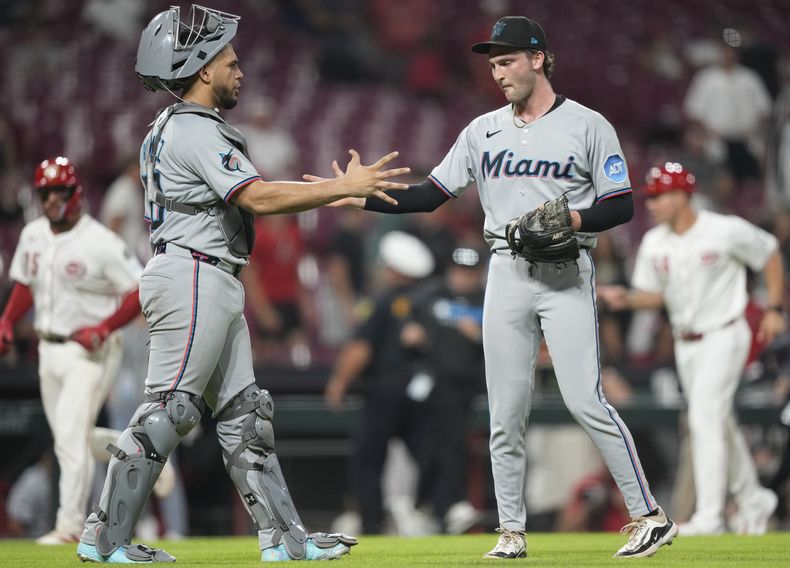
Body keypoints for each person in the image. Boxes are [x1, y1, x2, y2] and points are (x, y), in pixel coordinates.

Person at [308, 16, 676, 559]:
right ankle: (511, 532)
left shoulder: (588, 124)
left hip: (566, 272)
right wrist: (359, 196)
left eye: (507, 60)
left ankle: (649, 516)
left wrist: (573, 221)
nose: (498, 72)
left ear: (539, 59)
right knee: (505, 411)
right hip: (505, 269)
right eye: (493, 63)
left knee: (585, 399)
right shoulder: (481, 131)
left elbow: (619, 204)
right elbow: (431, 195)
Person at [76, 4, 410, 564]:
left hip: (208, 275)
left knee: (245, 417)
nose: (240, 71)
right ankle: (102, 536)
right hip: (193, 275)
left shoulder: (176, 127)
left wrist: (330, 191)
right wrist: (337, 187)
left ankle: (286, 540)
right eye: (230, 62)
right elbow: (253, 197)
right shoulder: (192, 128)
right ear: (202, 70)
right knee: (170, 409)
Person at [598, 162, 785, 536]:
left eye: (660, 195)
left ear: (683, 195)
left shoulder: (723, 229)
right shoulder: (655, 242)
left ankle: (710, 516)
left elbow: (769, 253)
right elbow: (656, 297)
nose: (651, 204)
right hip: (686, 344)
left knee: (703, 417)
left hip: (725, 333)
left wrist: (775, 308)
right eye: (650, 196)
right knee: (719, 420)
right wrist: (627, 300)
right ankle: (753, 498)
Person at [0, 157, 146, 544]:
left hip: (91, 350)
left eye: (59, 191)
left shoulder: (101, 241)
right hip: (48, 350)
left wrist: (105, 326)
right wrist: (7, 320)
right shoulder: (33, 234)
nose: (51, 200)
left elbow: (139, 289)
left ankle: (69, 526)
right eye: (45, 192)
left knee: (67, 435)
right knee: (70, 435)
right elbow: (24, 283)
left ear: (76, 194)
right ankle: (130, 450)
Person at [324, 231, 434, 535]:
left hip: (383, 392)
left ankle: (371, 523)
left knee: (369, 461)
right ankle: (438, 512)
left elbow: (362, 348)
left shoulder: (382, 302)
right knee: (429, 455)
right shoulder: (429, 299)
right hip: (420, 394)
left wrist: (339, 381)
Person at [401, 246, 486, 533]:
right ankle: (453, 503)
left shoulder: (489, 298)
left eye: (470, 273)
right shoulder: (430, 296)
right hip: (437, 381)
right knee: (448, 441)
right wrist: (412, 331)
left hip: (475, 383)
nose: (464, 278)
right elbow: (406, 319)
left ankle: (421, 502)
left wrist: (480, 336)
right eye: (460, 271)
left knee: (439, 444)